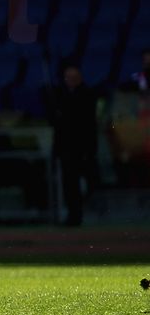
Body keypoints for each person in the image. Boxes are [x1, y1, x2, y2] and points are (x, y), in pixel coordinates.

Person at [46, 65, 98, 227]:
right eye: (68, 77)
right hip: (66, 146)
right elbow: (54, 121)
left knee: (87, 181)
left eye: (74, 77)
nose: (70, 80)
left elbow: (88, 123)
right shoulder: (59, 95)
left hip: (83, 146)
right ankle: (73, 215)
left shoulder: (87, 94)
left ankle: (86, 213)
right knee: (70, 184)